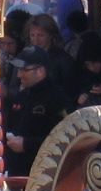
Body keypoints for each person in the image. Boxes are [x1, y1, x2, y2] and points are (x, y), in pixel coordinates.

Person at [4, 46, 67, 176]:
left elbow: (63, 138)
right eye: (18, 70)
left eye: (24, 70)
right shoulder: (21, 96)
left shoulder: (57, 98)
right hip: (16, 172)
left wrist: (27, 144)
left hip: (45, 173)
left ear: (40, 71)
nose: (19, 75)